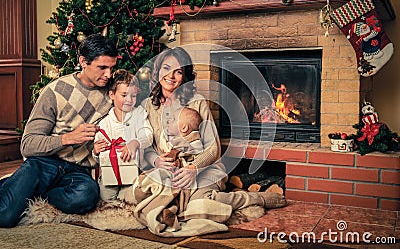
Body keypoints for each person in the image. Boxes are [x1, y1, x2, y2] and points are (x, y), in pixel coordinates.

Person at [128, 47, 287, 213]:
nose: (171, 76)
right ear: (157, 71)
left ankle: (257, 198)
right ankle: (175, 206)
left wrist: (194, 168)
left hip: (204, 169)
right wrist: (156, 161)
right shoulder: (147, 106)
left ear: (185, 76)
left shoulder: (197, 102)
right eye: (166, 69)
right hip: (169, 172)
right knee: (140, 194)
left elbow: (213, 149)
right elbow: (144, 143)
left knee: (200, 205)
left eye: (178, 72)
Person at [0, 34, 118, 228]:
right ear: (83, 62)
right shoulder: (55, 91)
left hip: (78, 171)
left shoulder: (112, 92)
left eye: (112, 68)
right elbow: (28, 145)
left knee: (86, 196)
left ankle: (30, 191)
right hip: (43, 163)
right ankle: (16, 185)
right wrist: (67, 138)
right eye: (102, 68)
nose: (108, 74)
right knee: (4, 216)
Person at [93, 69, 152, 201]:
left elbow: (148, 136)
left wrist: (135, 142)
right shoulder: (105, 123)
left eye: (133, 96)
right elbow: (100, 158)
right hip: (110, 175)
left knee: (130, 199)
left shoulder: (139, 115)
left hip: (133, 173)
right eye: (124, 95)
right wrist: (96, 152)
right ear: (112, 95)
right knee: (104, 199)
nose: (129, 100)